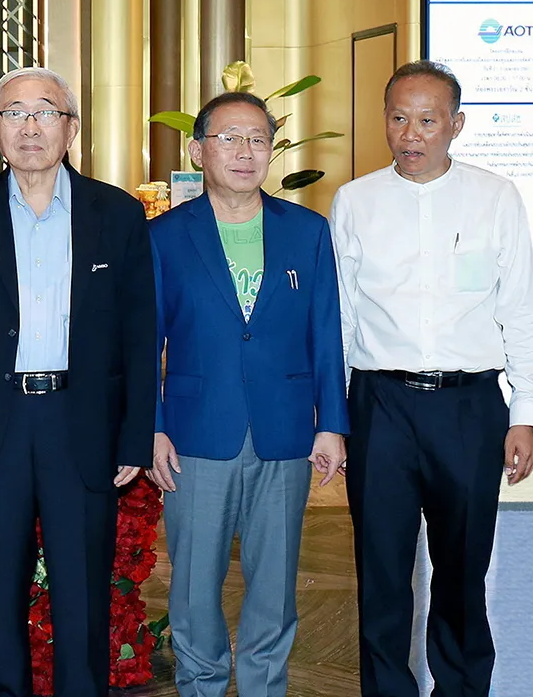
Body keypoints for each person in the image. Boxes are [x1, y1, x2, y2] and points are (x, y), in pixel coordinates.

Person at [332, 60, 533, 697]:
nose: (410, 134)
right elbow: (342, 316)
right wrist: (333, 418)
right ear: (384, 121)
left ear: (456, 124)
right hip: (380, 405)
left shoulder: (496, 197)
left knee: (462, 571)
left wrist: (525, 413)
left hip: (468, 407)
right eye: (398, 118)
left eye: (427, 120)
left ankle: (462, 688)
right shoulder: (355, 201)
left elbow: (520, 310)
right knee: (382, 574)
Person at [0, 67, 155, 696]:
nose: (30, 126)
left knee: (83, 589)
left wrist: (135, 436)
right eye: (13, 113)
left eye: (45, 111)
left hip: (82, 420)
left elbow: (140, 332)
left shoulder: (117, 213)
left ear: (71, 128)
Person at [148, 91, 348, 697]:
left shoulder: (307, 232)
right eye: (229, 138)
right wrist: (152, 426)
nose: (245, 151)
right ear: (198, 151)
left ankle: (266, 685)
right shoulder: (164, 236)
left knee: (275, 585)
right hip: (194, 434)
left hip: (283, 432)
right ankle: (201, 684)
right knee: (192, 586)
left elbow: (326, 333)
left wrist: (331, 424)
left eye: (258, 139)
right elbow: (142, 343)